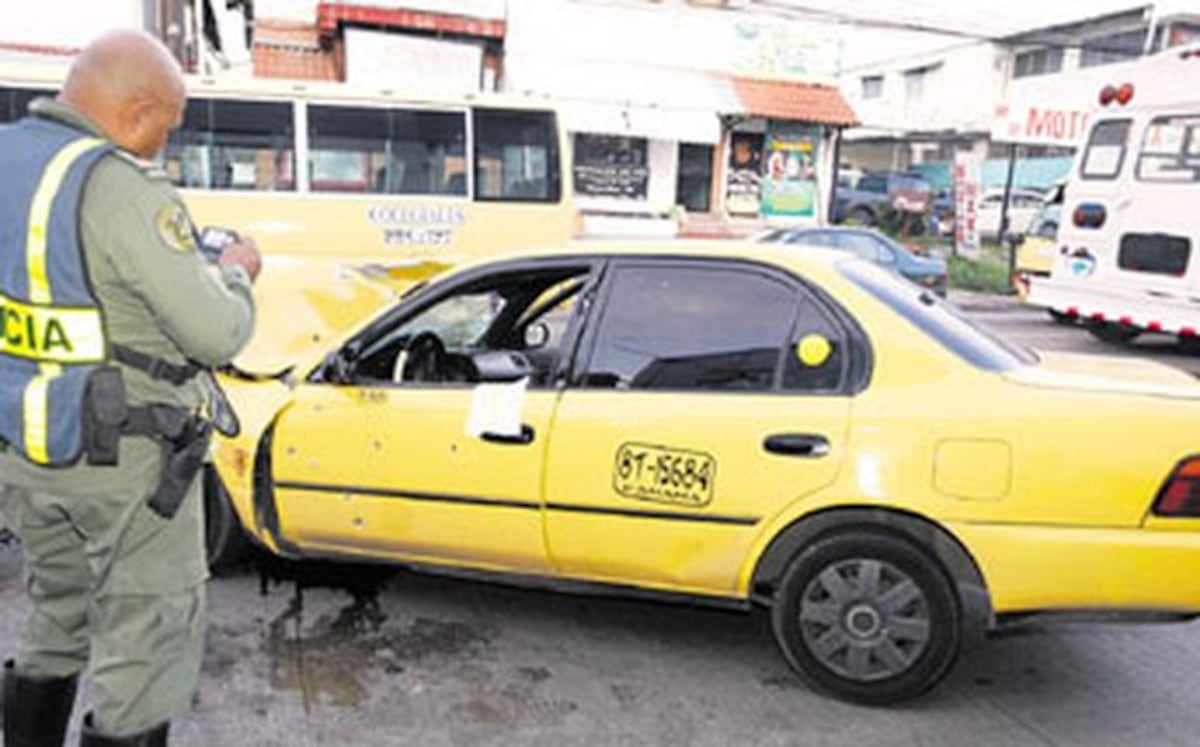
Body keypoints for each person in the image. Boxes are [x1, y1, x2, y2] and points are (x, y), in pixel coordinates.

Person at [0, 29, 259, 746]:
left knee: (57, 614)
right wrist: (236, 271)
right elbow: (214, 332)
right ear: (140, 111)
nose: (162, 146)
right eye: (165, 129)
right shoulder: (118, 187)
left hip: (24, 450)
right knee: (145, 644)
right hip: (128, 463)